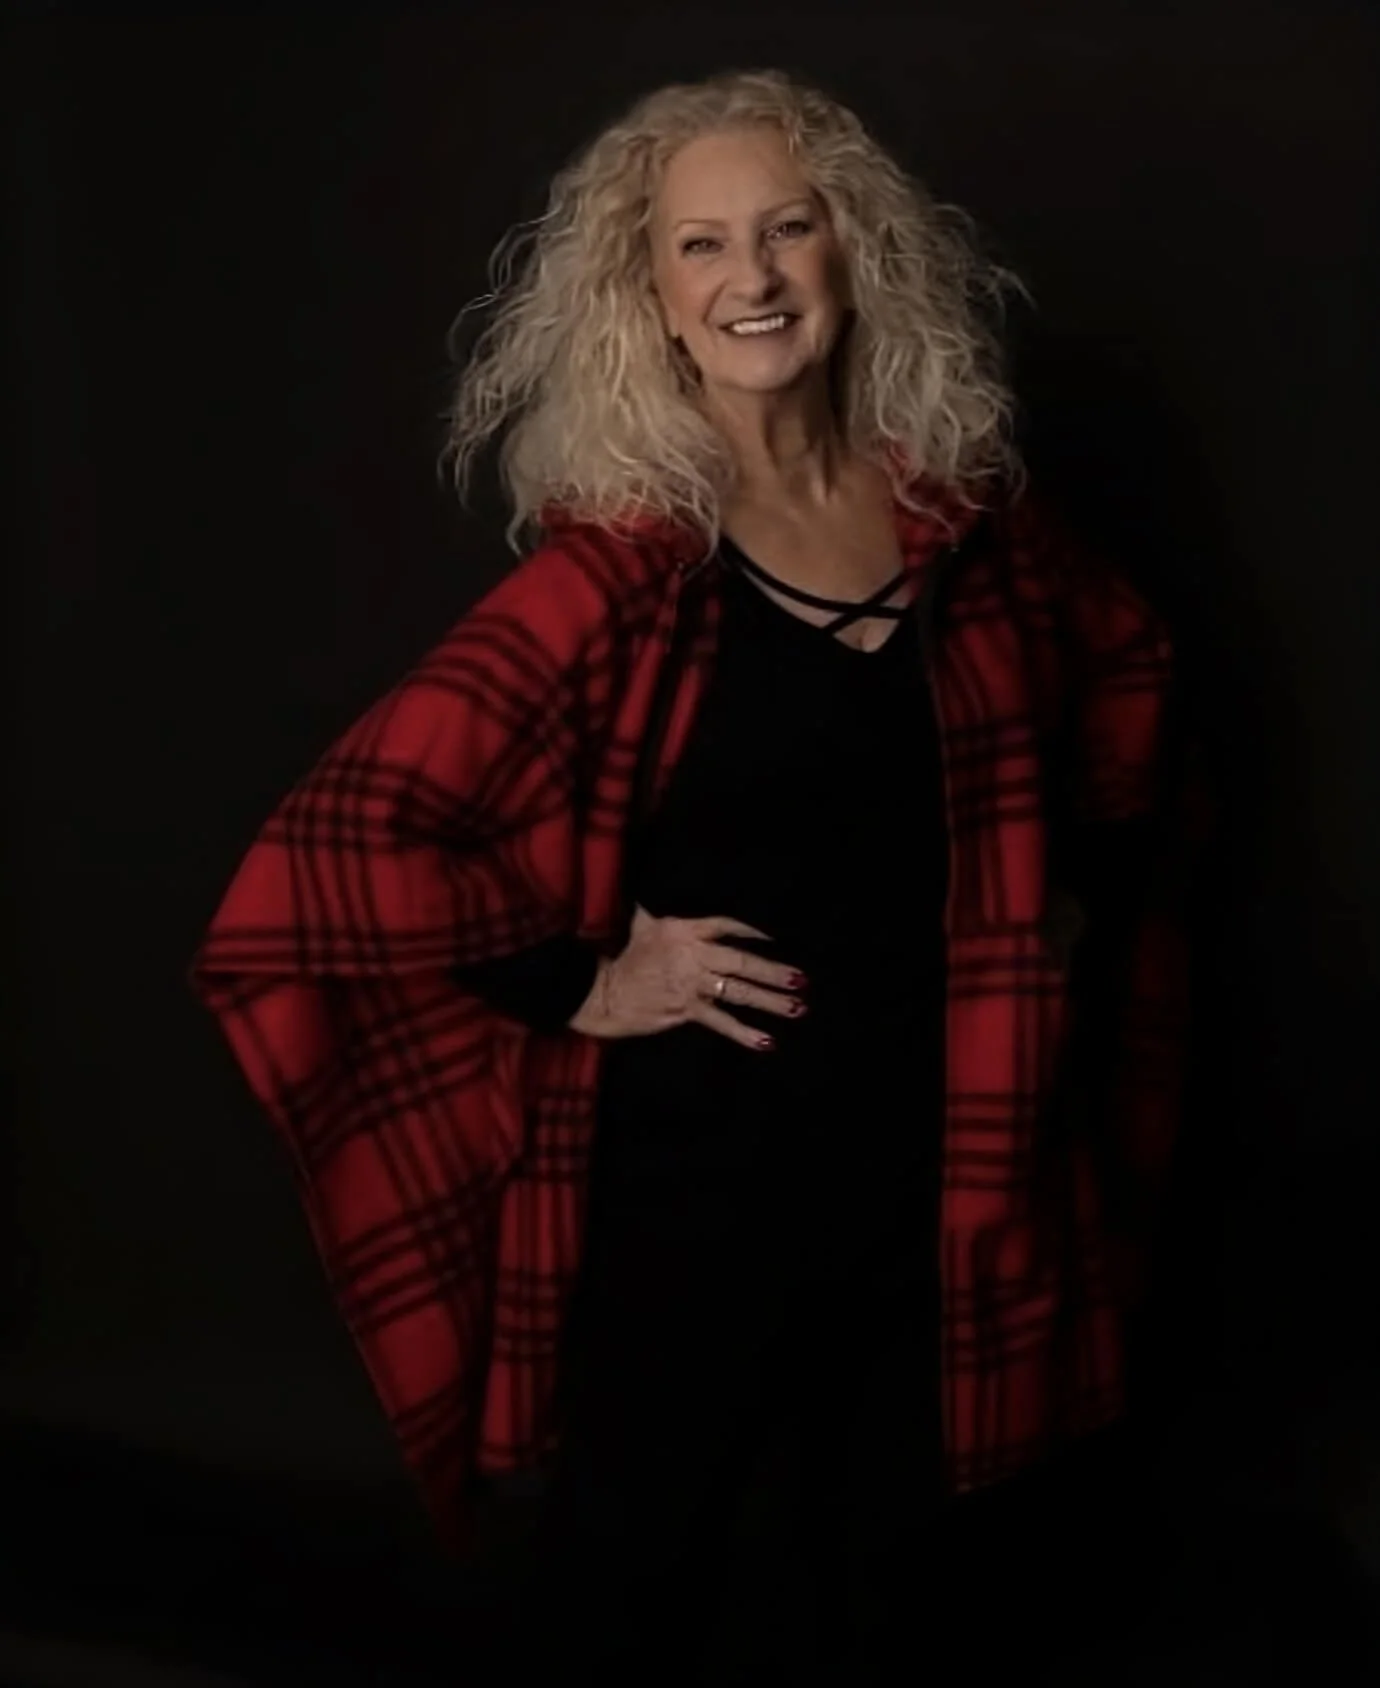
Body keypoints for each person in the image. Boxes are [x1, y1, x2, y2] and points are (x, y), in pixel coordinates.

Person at [192, 68, 1201, 1683]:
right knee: (643, 1590)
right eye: (703, 247)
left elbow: (1127, 674)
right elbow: (341, 848)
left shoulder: (968, 520)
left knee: (908, 1594)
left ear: (854, 254)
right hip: (699, 1186)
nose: (754, 279)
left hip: (948, 1160)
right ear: (651, 303)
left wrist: (1054, 898)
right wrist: (584, 977)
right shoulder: (625, 569)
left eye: (789, 230)